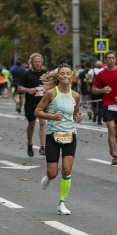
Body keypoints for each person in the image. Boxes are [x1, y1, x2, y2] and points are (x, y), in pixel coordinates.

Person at [35, 64, 82, 215]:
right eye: (62, 73)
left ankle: (62, 203)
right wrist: (52, 116)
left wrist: (77, 117)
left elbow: (75, 113)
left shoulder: (75, 95)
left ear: (71, 76)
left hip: (70, 135)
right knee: (53, 173)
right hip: (53, 135)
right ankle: (48, 177)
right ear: (58, 76)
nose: (66, 76)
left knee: (67, 170)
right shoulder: (50, 93)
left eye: (68, 73)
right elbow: (38, 111)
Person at [17, 53, 49, 157]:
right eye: (36, 62)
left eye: (39, 61)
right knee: (31, 124)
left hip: (43, 103)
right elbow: (19, 88)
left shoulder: (45, 73)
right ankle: (30, 144)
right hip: (31, 103)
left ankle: (43, 146)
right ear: (31, 63)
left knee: (43, 123)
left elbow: (52, 85)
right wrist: (28, 90)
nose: (38, 63)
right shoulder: (27, 74)